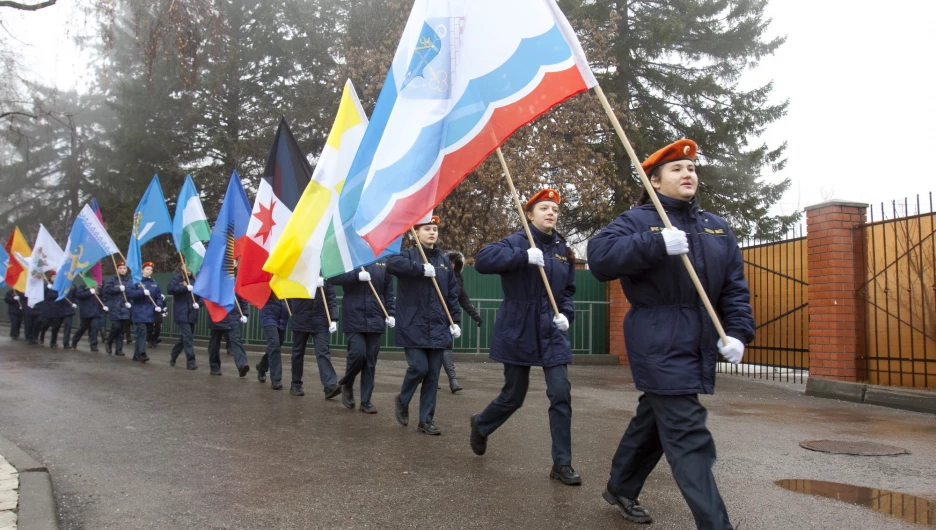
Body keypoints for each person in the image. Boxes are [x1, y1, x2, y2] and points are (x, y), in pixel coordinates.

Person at [586, 139, 754, 528]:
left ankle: (621, 486)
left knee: (656, 420)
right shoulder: (638, 220)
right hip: (657, 338)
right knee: (686, 432)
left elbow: (734, 289)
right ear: (656, 182)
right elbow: (600, 258)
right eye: (677, 169)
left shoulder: (717, 227)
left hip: (696, 343)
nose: (688, 174)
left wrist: (739, 333)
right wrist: (654, 242)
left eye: (691, 168)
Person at [469, 189, 580, 486]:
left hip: (552, 332)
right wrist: (521, 257)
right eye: (544, 208)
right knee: (513, 395)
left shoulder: (563, 249)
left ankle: (562, 463)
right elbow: (482, 260)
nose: (551, 213)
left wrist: (566, 314)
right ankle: (481, 424)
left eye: (555, 209)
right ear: (529, 214)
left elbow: (568, 290)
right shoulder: (517, 242)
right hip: (519, 328)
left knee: (560, 394)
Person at [388, 216, 460, 435]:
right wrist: (419, 269)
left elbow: (452, 294)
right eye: (427, 229)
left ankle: (425, 421)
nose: (432, 233)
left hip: (438, 325)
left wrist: (455, 321)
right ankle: (403, 398)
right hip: (413, 324)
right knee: (419, 367)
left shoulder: (444, 261)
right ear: (416, 233)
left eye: (435, 229)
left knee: (432, 376)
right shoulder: (408, 255)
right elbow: (392, 263)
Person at [330, 259, 396, 414]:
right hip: (354, 315)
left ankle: (366, 401)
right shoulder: (350, 257)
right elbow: (333, 278)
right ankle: (348, 383)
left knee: (370, 360)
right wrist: (356, 276)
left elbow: (389, 290)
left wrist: (391, 313)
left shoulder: (383, 261)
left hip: (376, 315)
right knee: (358, 354)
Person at [284, 278, 340, 398]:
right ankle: (296, 384)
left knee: (323, 351)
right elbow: (290, 294)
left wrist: (334, 318)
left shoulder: (325, 274)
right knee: (297, 353)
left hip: (320, 319)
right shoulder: (298, 271)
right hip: (301, 318)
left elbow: (331, 298)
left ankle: (329, 385)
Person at [441, 250, 483, 393]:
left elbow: (463, 299)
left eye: (454, 263)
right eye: (450, 262)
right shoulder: (438, 276)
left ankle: (453, 380)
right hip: (432, 317)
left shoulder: (458, 279)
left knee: (446, 345)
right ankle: (433, 379)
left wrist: (475, 315)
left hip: (447, 319)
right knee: (434, 349)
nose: (452, 265)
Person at [126, 262, 163, 363]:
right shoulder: (135, 282)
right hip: (139, 311)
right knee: (142, 332)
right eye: (147, 269)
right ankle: (142, 353)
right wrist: (142, 292)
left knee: (140, 334)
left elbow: (159, 296)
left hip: (150, 312)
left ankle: (136, 355)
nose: (149, 271)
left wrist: (159, 306)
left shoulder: (155, 283)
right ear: (142, 270)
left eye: (151, 269)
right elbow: (129, 294)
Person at [207, 295, 250, 377]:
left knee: (236, 341)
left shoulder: (234, 284)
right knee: (214, 343)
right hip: (218, 316)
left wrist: (245, 313)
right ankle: (214, 367)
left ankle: (242, 365)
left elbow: (242, 298)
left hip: (232, 317)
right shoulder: (215, 283)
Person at [167, 265, 201, 370]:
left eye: (191, 268)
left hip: (192, 312)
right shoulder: (177, 278)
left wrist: (199, 304)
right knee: (188, 337)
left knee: (184, 338)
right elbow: (170, 289)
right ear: (182, 267)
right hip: (181, 313)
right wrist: (184, 288)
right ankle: (190, 361)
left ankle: (173, 355)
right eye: (187, 267)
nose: (189, 270)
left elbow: (202, 295)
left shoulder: (196, 280)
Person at [255, 294, 289, 390]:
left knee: (277, 344)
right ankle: (276, 379)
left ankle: (262, 366)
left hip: (283, 316)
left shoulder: (286, 281)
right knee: (274, 344)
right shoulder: (266, 280)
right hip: (268, 315)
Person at [39, 273, 76, 348]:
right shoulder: (47, 285)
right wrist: (48, 288)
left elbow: (72, 294)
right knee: (46, 324)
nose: (55, 278)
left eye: (56, 276)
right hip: (49, 309)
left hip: (59, 309)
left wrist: (74, 302)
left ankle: (53, 341)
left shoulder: (62, 285)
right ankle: (42, 334)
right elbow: (47, 296)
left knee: (56, 326)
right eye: (53, 276)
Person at [103, 262, 133, 356]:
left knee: (121, 330)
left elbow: (131, 293)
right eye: (120, 268)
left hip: (125, 308)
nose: (122, 270)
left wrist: (130, 303)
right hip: (115, 307)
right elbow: (107, 290)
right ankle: (109, 342)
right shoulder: (112, 280)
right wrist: (118, 289)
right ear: (117, 269)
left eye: (124, 268)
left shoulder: (129, 281)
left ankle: (119, 349)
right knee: (116, 326)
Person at [71, 283, 106, 351]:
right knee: (83, 328)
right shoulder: (83, 285)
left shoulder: (99, 286)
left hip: (96, 310)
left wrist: (104, 305)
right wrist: (89, 292)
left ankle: (93, 344)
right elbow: (79, 295)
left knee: (95, 327)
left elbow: (102, 297)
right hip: (86, 310)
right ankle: (75, 339)